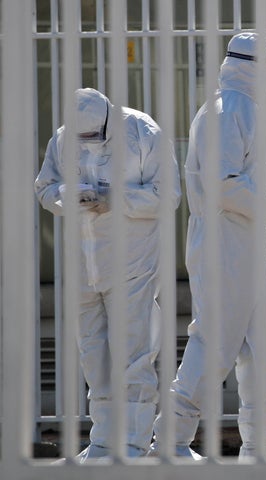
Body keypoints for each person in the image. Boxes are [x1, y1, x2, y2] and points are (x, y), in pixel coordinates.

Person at [149, 32, 266, 461]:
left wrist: (264, 236)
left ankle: (265, 444)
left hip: (239, 243)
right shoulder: (229, 109)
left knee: (262, 348)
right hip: (224, 245)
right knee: (214, 343)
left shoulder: (238, 107)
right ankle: (171, 442)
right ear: (254, 65)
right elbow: (223, 185)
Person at [34, 87, 182, 461]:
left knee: (134, 353)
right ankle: (103, 440)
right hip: (84, 263)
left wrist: (116, 198)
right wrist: (67, 195)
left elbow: (169, 195)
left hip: (132, 260)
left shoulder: (144, 132)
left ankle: (132, 443)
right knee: (93, 353)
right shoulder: (65, 137)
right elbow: (45, 187)